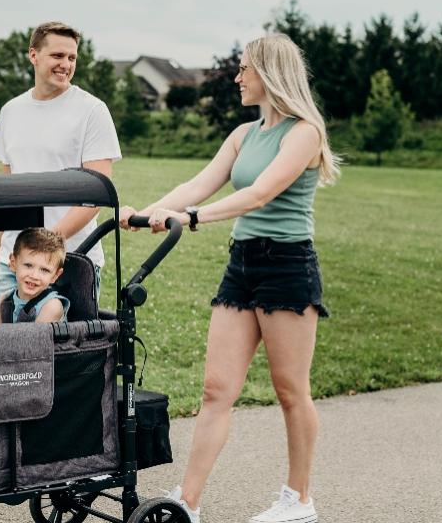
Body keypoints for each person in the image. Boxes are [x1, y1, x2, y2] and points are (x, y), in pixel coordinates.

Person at [120, 33, 340, 523]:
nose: (238, 78)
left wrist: (194, 218)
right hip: (242, 264)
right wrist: (144, 212)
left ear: (270, 73)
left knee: (290, 390)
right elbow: (197, 184)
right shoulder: (243, 134)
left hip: (287, 266)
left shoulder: (305, 132)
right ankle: (189, 502)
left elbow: (260, 194)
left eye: (245, 69)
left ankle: (298, 500)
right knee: (216, 389)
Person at [0, 21, 121, 307]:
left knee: (64, 348)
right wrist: (3, 252)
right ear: (33, 55)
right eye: (58, 56)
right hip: (14, 263)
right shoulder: (10, 112)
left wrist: (46, 247)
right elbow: (6, 191)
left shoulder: (92, 111)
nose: (66, 64)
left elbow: (96, 193)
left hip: (71, 261)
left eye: (72, 57)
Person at [0, 227, 70, 324]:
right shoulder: (4, 301)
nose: (34, 276)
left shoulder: (51, 306)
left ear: (55, 276)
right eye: (28, 265)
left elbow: (33, 338)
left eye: (44, 270)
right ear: (13, 263)